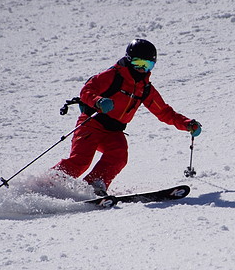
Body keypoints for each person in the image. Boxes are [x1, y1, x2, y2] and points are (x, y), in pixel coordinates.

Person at [53, 39, 201, 196]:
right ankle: (49, 184)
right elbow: (87, 90)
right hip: (92, 124)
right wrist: (98, 101)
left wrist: (187, 124)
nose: (142, 69)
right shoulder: (113, 76)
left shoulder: (145, 89)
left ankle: (94, 185)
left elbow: (164, 112)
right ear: (129, 60)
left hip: (114, 131)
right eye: (138, 63)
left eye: (147, 65)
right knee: (80, 162)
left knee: (119, 155)